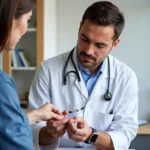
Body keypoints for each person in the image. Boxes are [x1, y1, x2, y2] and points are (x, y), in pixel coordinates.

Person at [28, 1, 138, 150]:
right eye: (85, 39)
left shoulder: (125, 77)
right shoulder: (48, 70)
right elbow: (33, 131)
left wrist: (91, 135)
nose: (88, 50)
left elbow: (125, 136)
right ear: (79, 28)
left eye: (99, 45)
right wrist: (51, 131)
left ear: (114, 44)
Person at [0, 0, 63, 150]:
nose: (26, 28)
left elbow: (6, 125)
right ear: (11, 19)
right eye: (28, 20)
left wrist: (37, 114)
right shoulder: (2, 84)